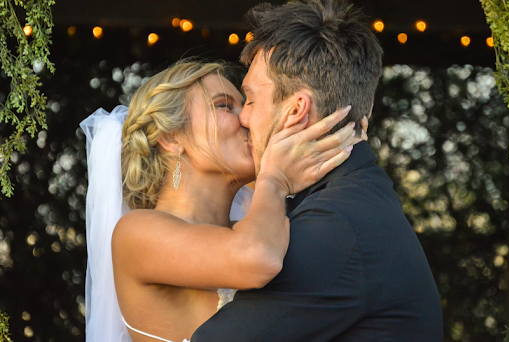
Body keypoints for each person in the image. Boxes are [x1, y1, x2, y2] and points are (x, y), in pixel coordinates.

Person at [192, 0, 444, 341]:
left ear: (296, 110)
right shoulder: (357, 194)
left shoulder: (335, 222)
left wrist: (273, 180)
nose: (244, 117)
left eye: (250, 99)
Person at [81, 60, 367, 342]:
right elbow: (257, 259)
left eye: (246, 105)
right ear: (171, 137)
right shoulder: (136, 233)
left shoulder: (256, 227)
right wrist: (274, 179)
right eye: (224, 105)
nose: (247, 119)